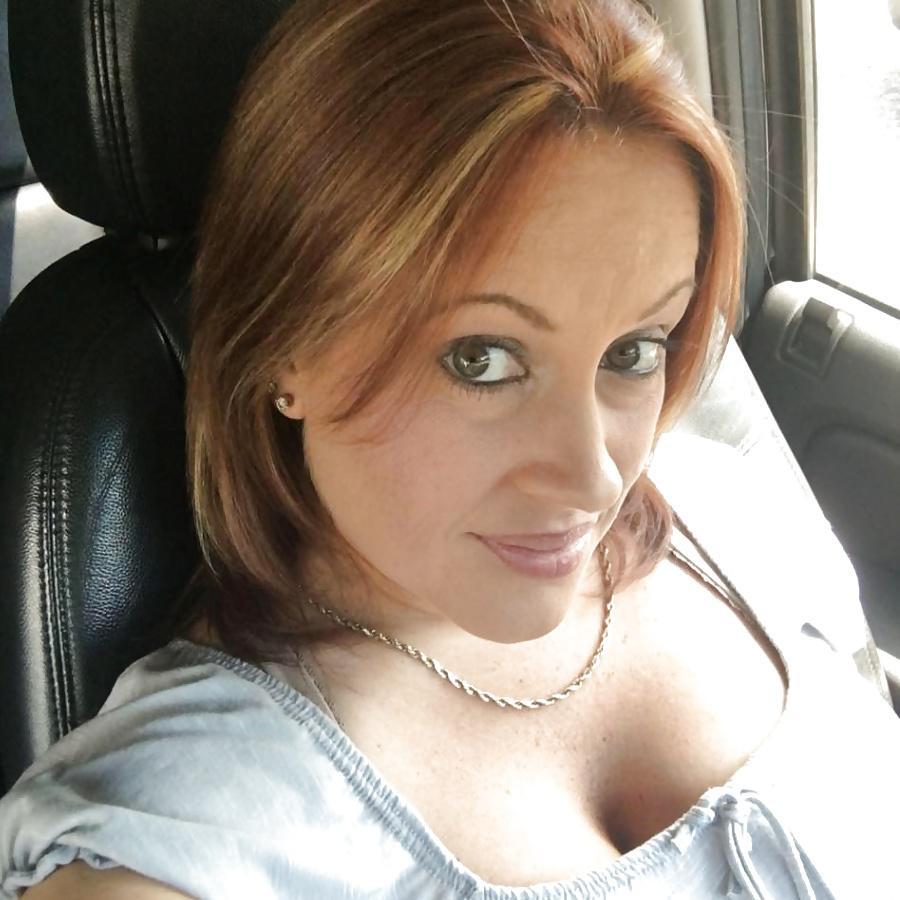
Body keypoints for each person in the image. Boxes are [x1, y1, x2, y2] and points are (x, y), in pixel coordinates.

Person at [1, 0, 898, 897]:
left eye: (633, 352)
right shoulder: (170, 845)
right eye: (481, 360)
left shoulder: (738, 511)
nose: (596, 478)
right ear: (284, 347)